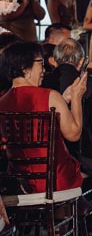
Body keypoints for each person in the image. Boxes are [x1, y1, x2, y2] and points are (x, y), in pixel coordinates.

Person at [0, 41, 85, 193]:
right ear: (25, 68)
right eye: (41, 63)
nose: (44, 70)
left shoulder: (2, 102)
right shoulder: (50, 96)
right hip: (55, 181)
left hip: (19, 184)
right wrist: (77, 97)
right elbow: (74, 134)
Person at [42, 38, 92, 184]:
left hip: (50, 157)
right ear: (81, 60)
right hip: (83, 157)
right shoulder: (91, 82)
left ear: (54, 60)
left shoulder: (44, 82)